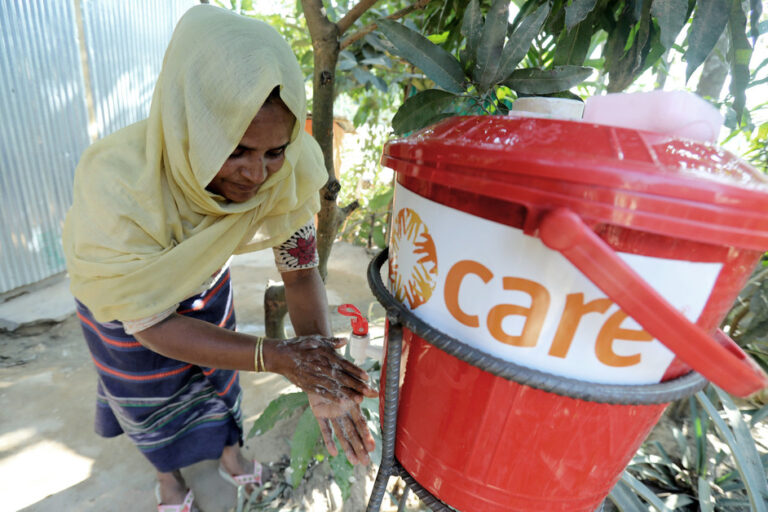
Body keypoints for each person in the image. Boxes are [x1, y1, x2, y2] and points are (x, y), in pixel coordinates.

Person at [62, 6, 376, 511]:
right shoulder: (118, 186)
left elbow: (300, 276)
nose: (258, 174)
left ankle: (231, 454)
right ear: (192, 124)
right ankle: (169, 479)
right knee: (150, 401)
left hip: (204, 288)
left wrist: (318, 362)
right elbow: (151, 325)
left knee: (219, 385)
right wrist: (277, 356)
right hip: (126, 311)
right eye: (237, 150)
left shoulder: (287, 173)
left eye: (275, 151)